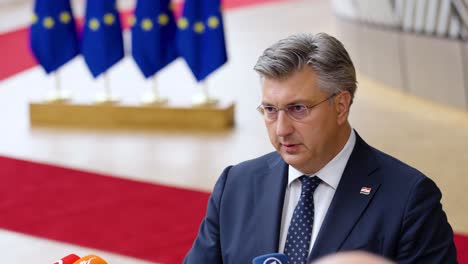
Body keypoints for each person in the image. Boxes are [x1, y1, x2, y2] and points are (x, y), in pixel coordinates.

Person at [183, 33, 457, 264]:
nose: (281, 129)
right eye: (270, 110)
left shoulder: (409, 199)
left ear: (341, 105)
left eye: (298, 109)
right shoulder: (236, 185)